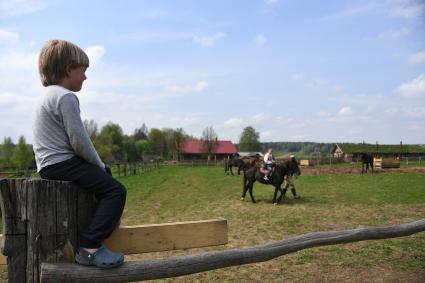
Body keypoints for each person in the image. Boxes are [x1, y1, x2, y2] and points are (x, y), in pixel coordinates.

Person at [33, 39, 126, 268]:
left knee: (102, 181)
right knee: (115, 190)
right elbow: (79, 141)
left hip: (48, 165)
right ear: (68, 69)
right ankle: (90, 247)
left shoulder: (46, 95)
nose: (85, 77)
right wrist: (99, 164)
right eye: (83, 70)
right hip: (62, 162)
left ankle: (104, 223)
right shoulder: (65, 97)